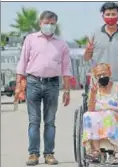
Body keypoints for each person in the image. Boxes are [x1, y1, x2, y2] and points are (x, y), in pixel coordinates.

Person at [15, 11, 72, 166]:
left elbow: (66, 69)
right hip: (33, 82)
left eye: (53, 23)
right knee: (34, 121)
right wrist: (19, 87)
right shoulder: (30, 39)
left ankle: (49, 154)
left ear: (56, 24)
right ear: (40, 23)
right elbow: (22, 63)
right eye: (47, 22)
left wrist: (67, 90)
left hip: (52, 84)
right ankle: (33, 154)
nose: (49, 26)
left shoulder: (61, 44)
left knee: (50, 121)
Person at [82, 63, 118, 165]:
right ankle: (96, 151)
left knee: (109, 114)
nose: (102, 77)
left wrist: (111, 108)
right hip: (99, 119)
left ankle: (116, 150)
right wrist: (93, 95)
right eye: (99, 75)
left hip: (117, 117)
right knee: (87, 116)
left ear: (109, 73)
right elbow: (90, 110)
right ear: (95, 77)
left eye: (104, 73)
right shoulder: (94, 89)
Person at [84, 2, 118, 88]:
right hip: (99, 81)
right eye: (107, 14)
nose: (110, 17)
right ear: (103, 16)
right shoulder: (94, 33)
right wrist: (88, 51)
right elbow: (86, 58)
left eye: (113, 14)